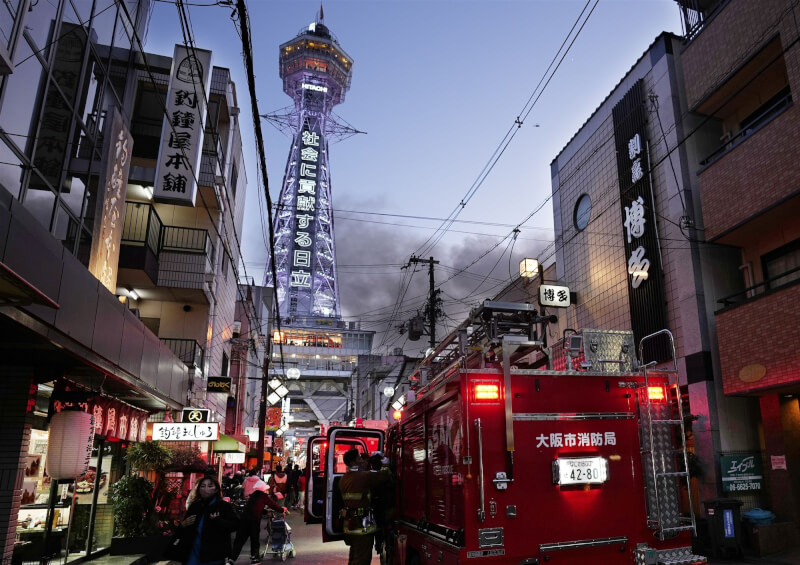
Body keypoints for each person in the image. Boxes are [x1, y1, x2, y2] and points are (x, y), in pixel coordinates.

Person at [339, 449, 389, 565]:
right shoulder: (363, 477)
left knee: (354, 557)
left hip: (350, 526)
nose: (362, 460)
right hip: (362, 527)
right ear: (353, 462)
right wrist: (385, 464)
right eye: (359, 458)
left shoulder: (344, 479)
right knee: (362, 560)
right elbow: (384, 476)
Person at [176, 477, 239, 565]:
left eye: (210, 486)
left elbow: (234, 525)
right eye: (203, 486)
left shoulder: (223, 506)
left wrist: (218, 520)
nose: (206, 489)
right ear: (198, 489)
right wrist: (183, 525)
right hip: (192, 552)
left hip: (213, 554)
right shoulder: (195, 507)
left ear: (216, 489)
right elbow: (183, 529)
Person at [232, 480, 287, 563]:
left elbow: (255, 507)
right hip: (254, 520)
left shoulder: (253, 495)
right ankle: (255, 558)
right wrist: (282, 509)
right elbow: (272, 505)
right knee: (254, 539)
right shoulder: (263, 496)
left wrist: (265, 511)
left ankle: (232, 559)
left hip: (244, 519)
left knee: (240, 540)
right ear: (263, 489)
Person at [368, 452, 394, 557]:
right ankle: (386, 545)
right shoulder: (385, 475)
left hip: (376, 506)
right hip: (385, 506)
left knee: (379, 528)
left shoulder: (368, 475)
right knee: (385, 527)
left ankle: (380, 545)